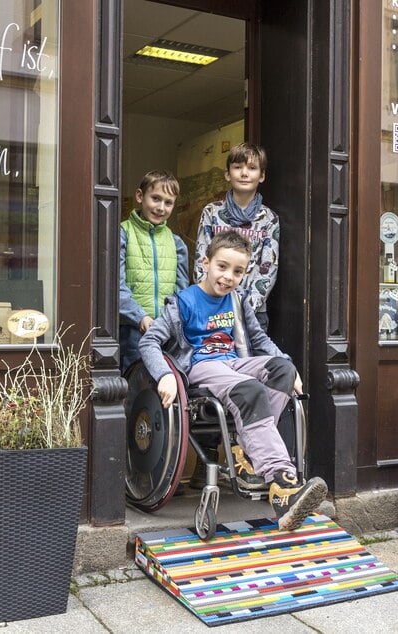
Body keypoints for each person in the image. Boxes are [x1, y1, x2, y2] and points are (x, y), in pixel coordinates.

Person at [140, 229, 327, 532]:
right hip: (201, 368)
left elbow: (259, 339)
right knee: (249, 389)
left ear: (245, 273)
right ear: (205, 262)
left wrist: (292, 370)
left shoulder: (238, 302)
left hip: (234, 364)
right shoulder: (183, 302)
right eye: (222, 267)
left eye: (238, 271)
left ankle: (247, 451)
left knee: (281, 369)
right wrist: (164, 375)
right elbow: (149, 343)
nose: (228, 276)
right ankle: (282, 483)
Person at [194, 142, 279, 332]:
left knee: (252, 362)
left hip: (253, 312)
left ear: (262, 175)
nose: (244, 173)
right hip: (213, 307)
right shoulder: (212, 212)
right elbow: (201, 260)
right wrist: (212, 300)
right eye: (237, 167)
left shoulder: (269, 219)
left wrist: (246, 307)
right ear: (227, 174)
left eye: (252, 168)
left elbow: (268, 268)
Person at [119, 169, 189, 373]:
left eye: (168, 202)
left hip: (167, 332)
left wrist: (171, 321)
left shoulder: (177, 244)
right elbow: (115, 285)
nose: (161, 207)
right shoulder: (123, 234)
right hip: (133, 330)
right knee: (135, 385)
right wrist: (139, 316)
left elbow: (182, 291)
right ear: (140, 196)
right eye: (155, 198)